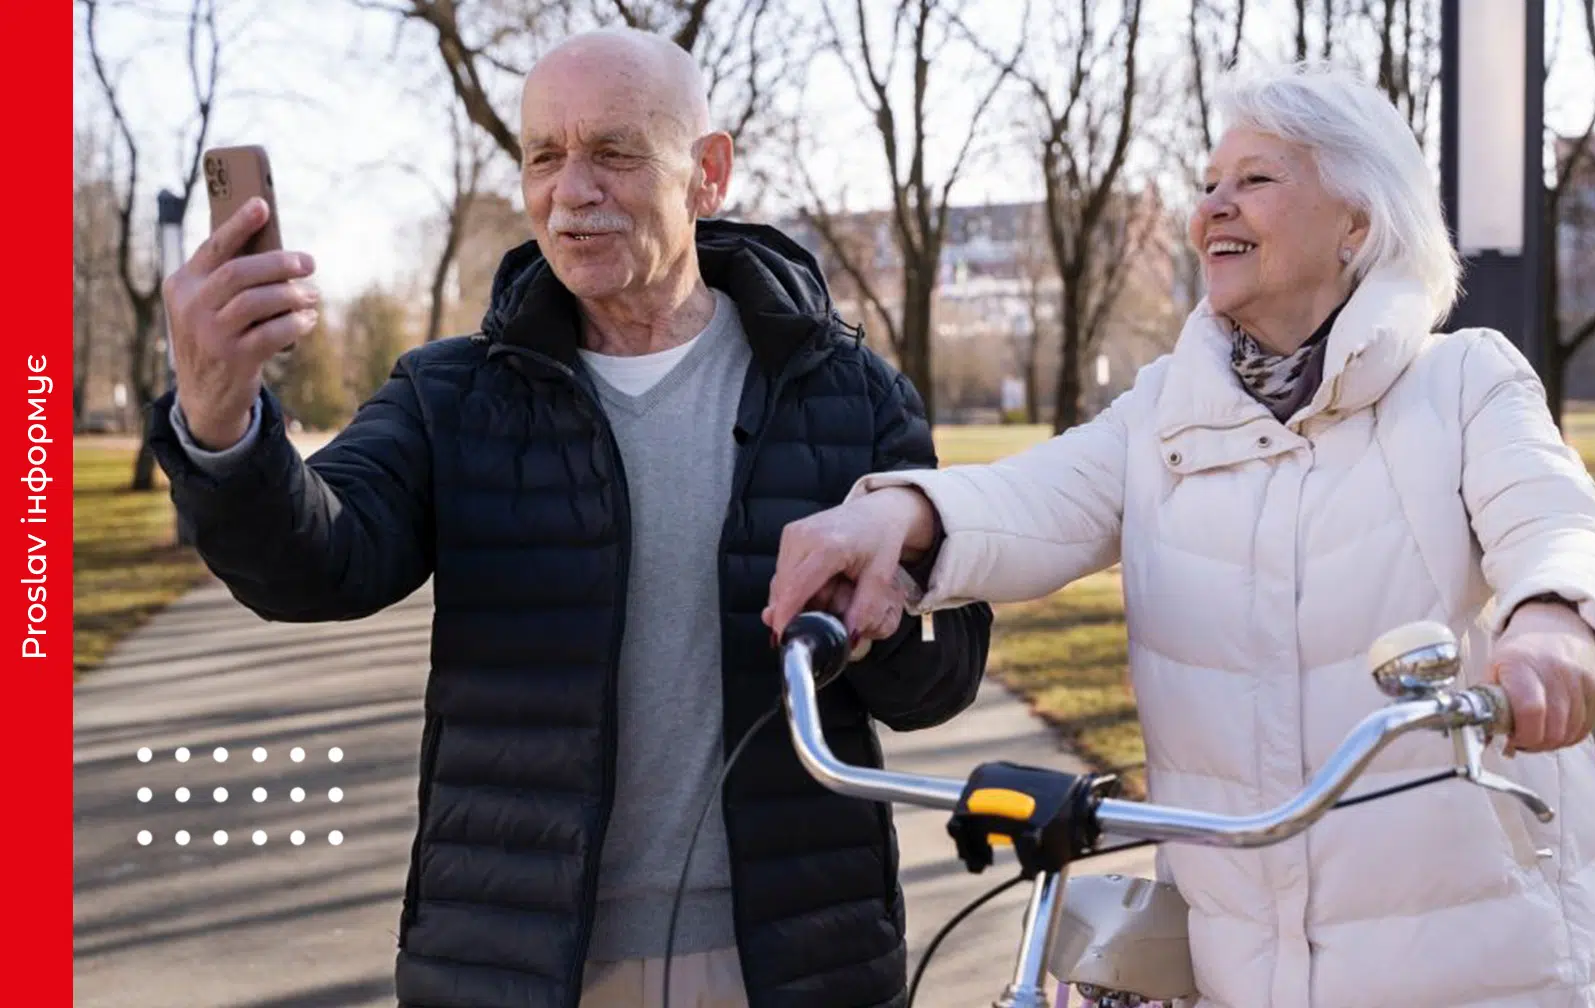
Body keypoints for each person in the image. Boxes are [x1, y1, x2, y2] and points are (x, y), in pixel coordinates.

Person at [765, 62, 1595, 1008]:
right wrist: (897, 516)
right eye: (1208, 185)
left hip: (1485, 961)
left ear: (1359, 222)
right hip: (1244, 966)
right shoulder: (1166, 414)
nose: (1214, 207)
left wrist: (1554, 619)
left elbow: (1558, 520)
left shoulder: (1462, 383)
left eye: (1256, 180)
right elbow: (1037, 498)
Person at [151, 27, 992, 1008]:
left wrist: (884, 622)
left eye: (615, 152)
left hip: (797, 960)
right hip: (518, 961)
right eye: (544, 156)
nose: (571, 188)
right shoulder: (451, 395)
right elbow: (312, 565)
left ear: (706, 174)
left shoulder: (849, 395)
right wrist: (219, 418)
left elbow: (943, 675)